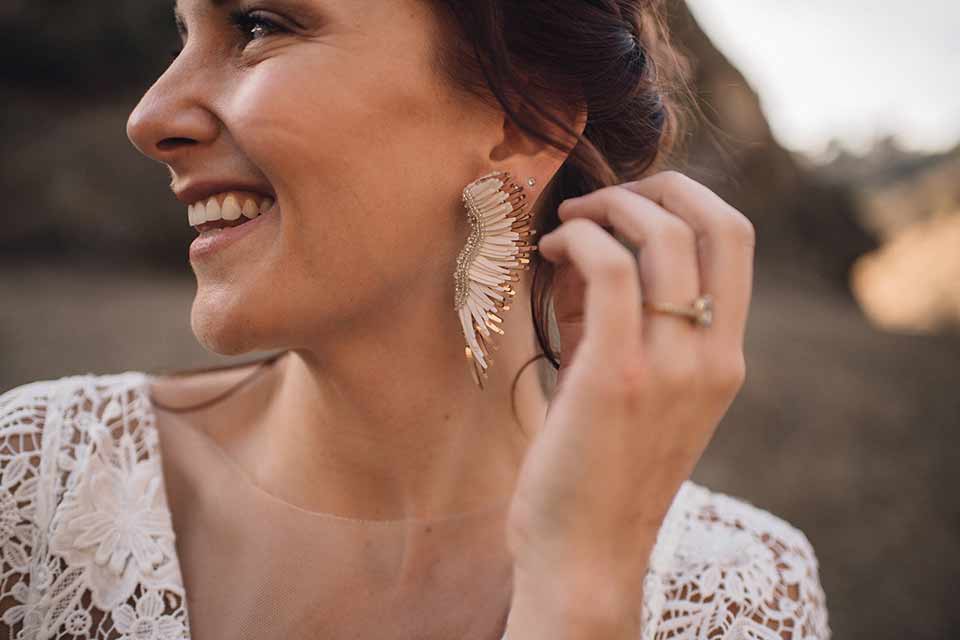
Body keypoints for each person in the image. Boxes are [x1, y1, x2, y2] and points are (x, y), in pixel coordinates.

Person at [0, 0, 831, 638]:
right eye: (180, 35)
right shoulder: (33, 484)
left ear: (519, 122)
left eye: (257, 25)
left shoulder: (743, 593)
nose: (149, 118)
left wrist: (580, 593)